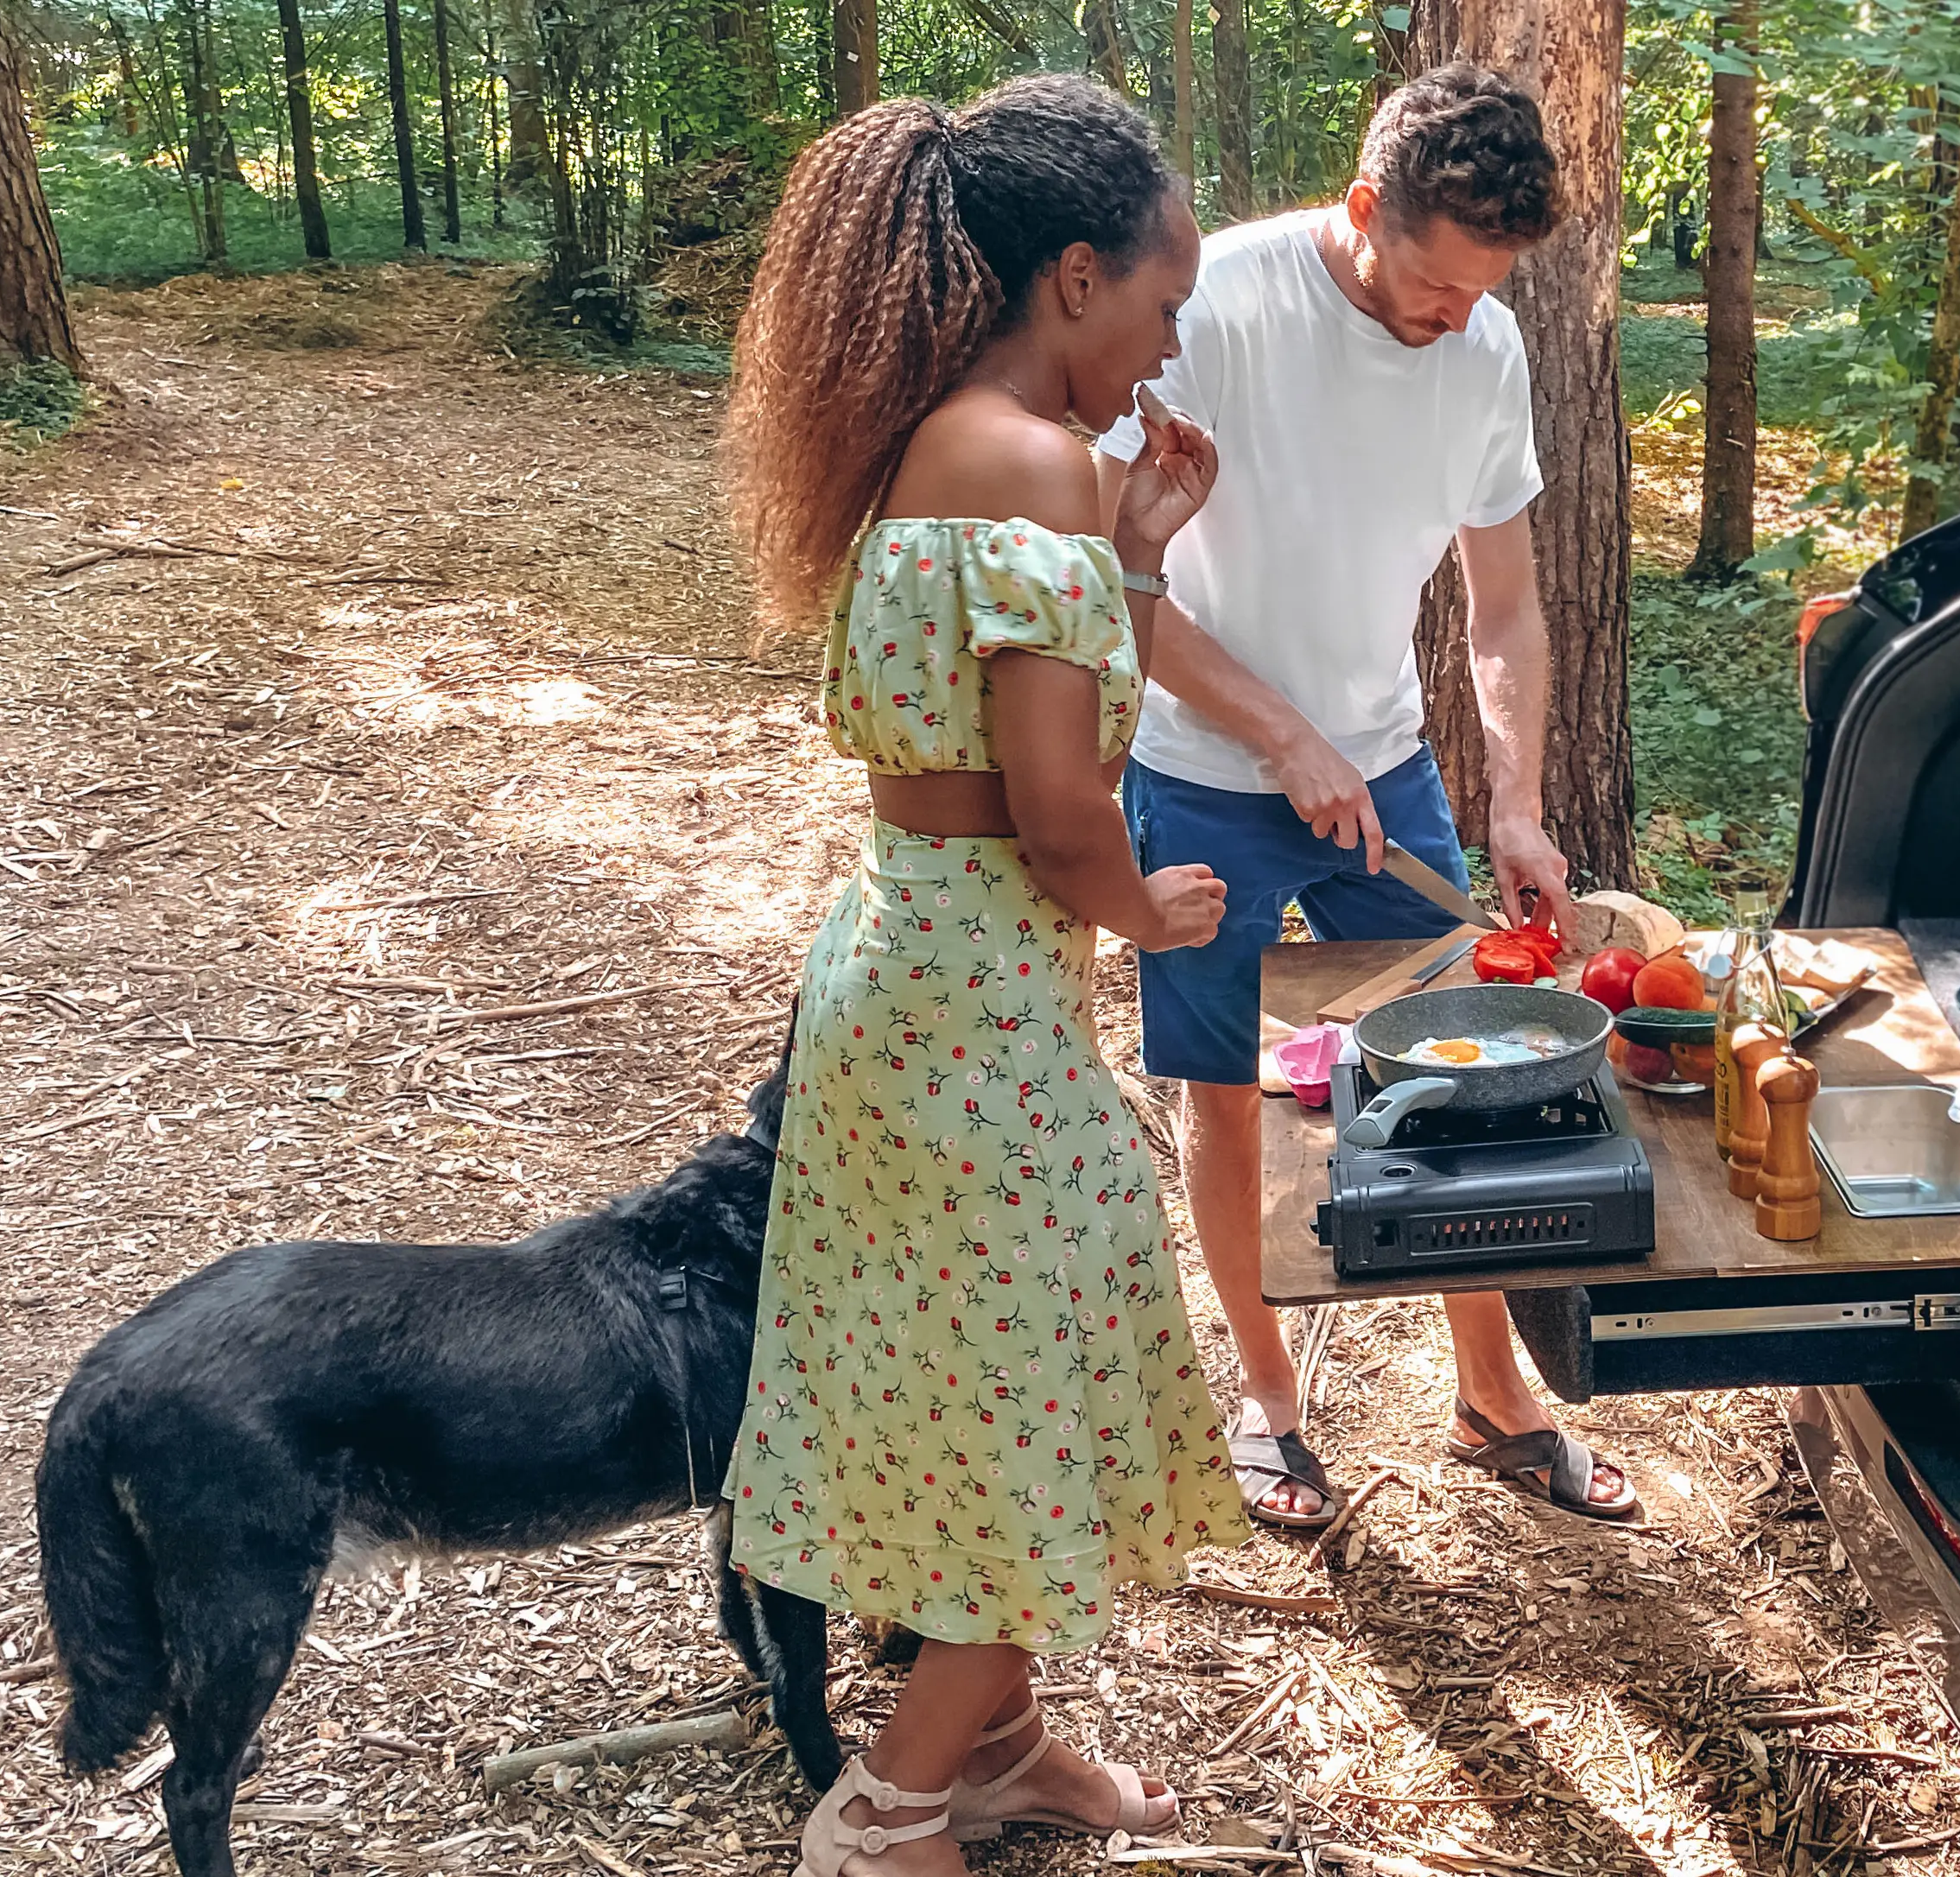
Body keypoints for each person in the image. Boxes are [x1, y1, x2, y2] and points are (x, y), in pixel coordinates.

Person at [718, 78, 1252, 1877]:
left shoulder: (938, 448)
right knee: (1050, 1388)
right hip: (979, 1005)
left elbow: (998, 711)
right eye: (1165, 309)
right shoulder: (1035, 469)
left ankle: (1003, 1744)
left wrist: (1139, 558)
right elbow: (1050, 801)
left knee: (961, 1374)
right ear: (1079, 277)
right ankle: (881, 1818)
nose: (1167, 351)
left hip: (904, 968)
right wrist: (1148, 909)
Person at [1095, 66, 1641, 1528]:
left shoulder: (1487, 346)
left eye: (1482, 290)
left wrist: (1513, 803)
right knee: (1220, 1100)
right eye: (1428, 282)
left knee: (1465, 1069)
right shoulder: (1212, 313)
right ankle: (1270, 1411)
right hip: (1203, 770)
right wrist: (1277, 736)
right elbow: (1114, 584)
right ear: (1361, 212)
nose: (1451, 316)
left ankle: (1491, 1392)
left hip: (1388, 770)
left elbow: (1504, 609)